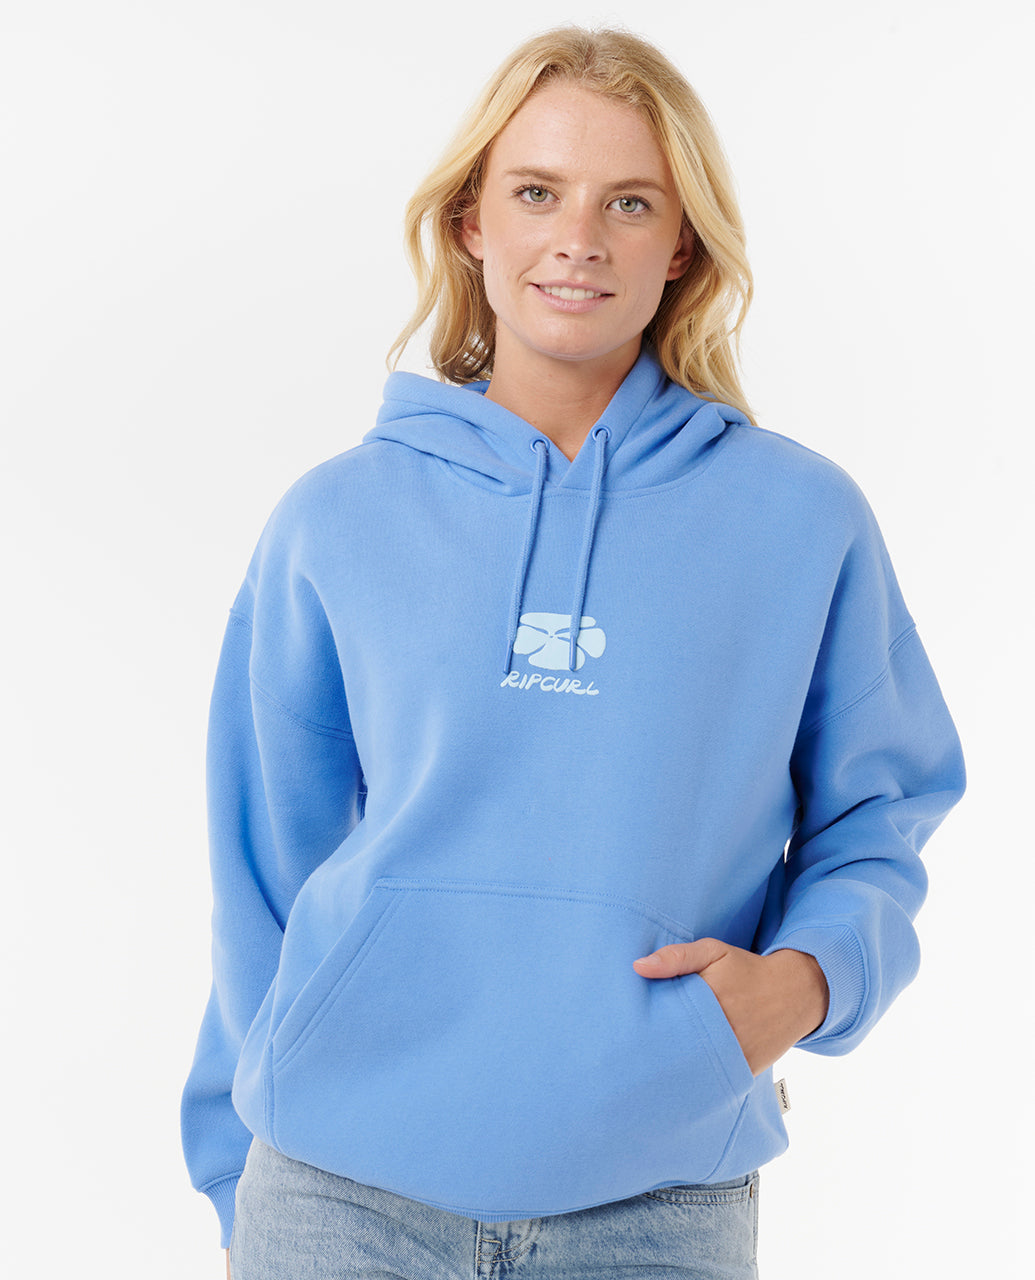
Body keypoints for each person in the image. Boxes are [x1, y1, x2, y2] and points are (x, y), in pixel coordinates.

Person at [181, 25, 965, 1280]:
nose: (579, 238)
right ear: (471, 223)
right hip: (336, 1201)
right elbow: (260, 863)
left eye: (630, 202)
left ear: (683, 244)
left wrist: (807, 981)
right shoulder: (337, 516)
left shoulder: (798, 517)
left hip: (658, 1198)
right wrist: (235, 1175)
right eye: (537, 192)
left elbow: (880, 809)